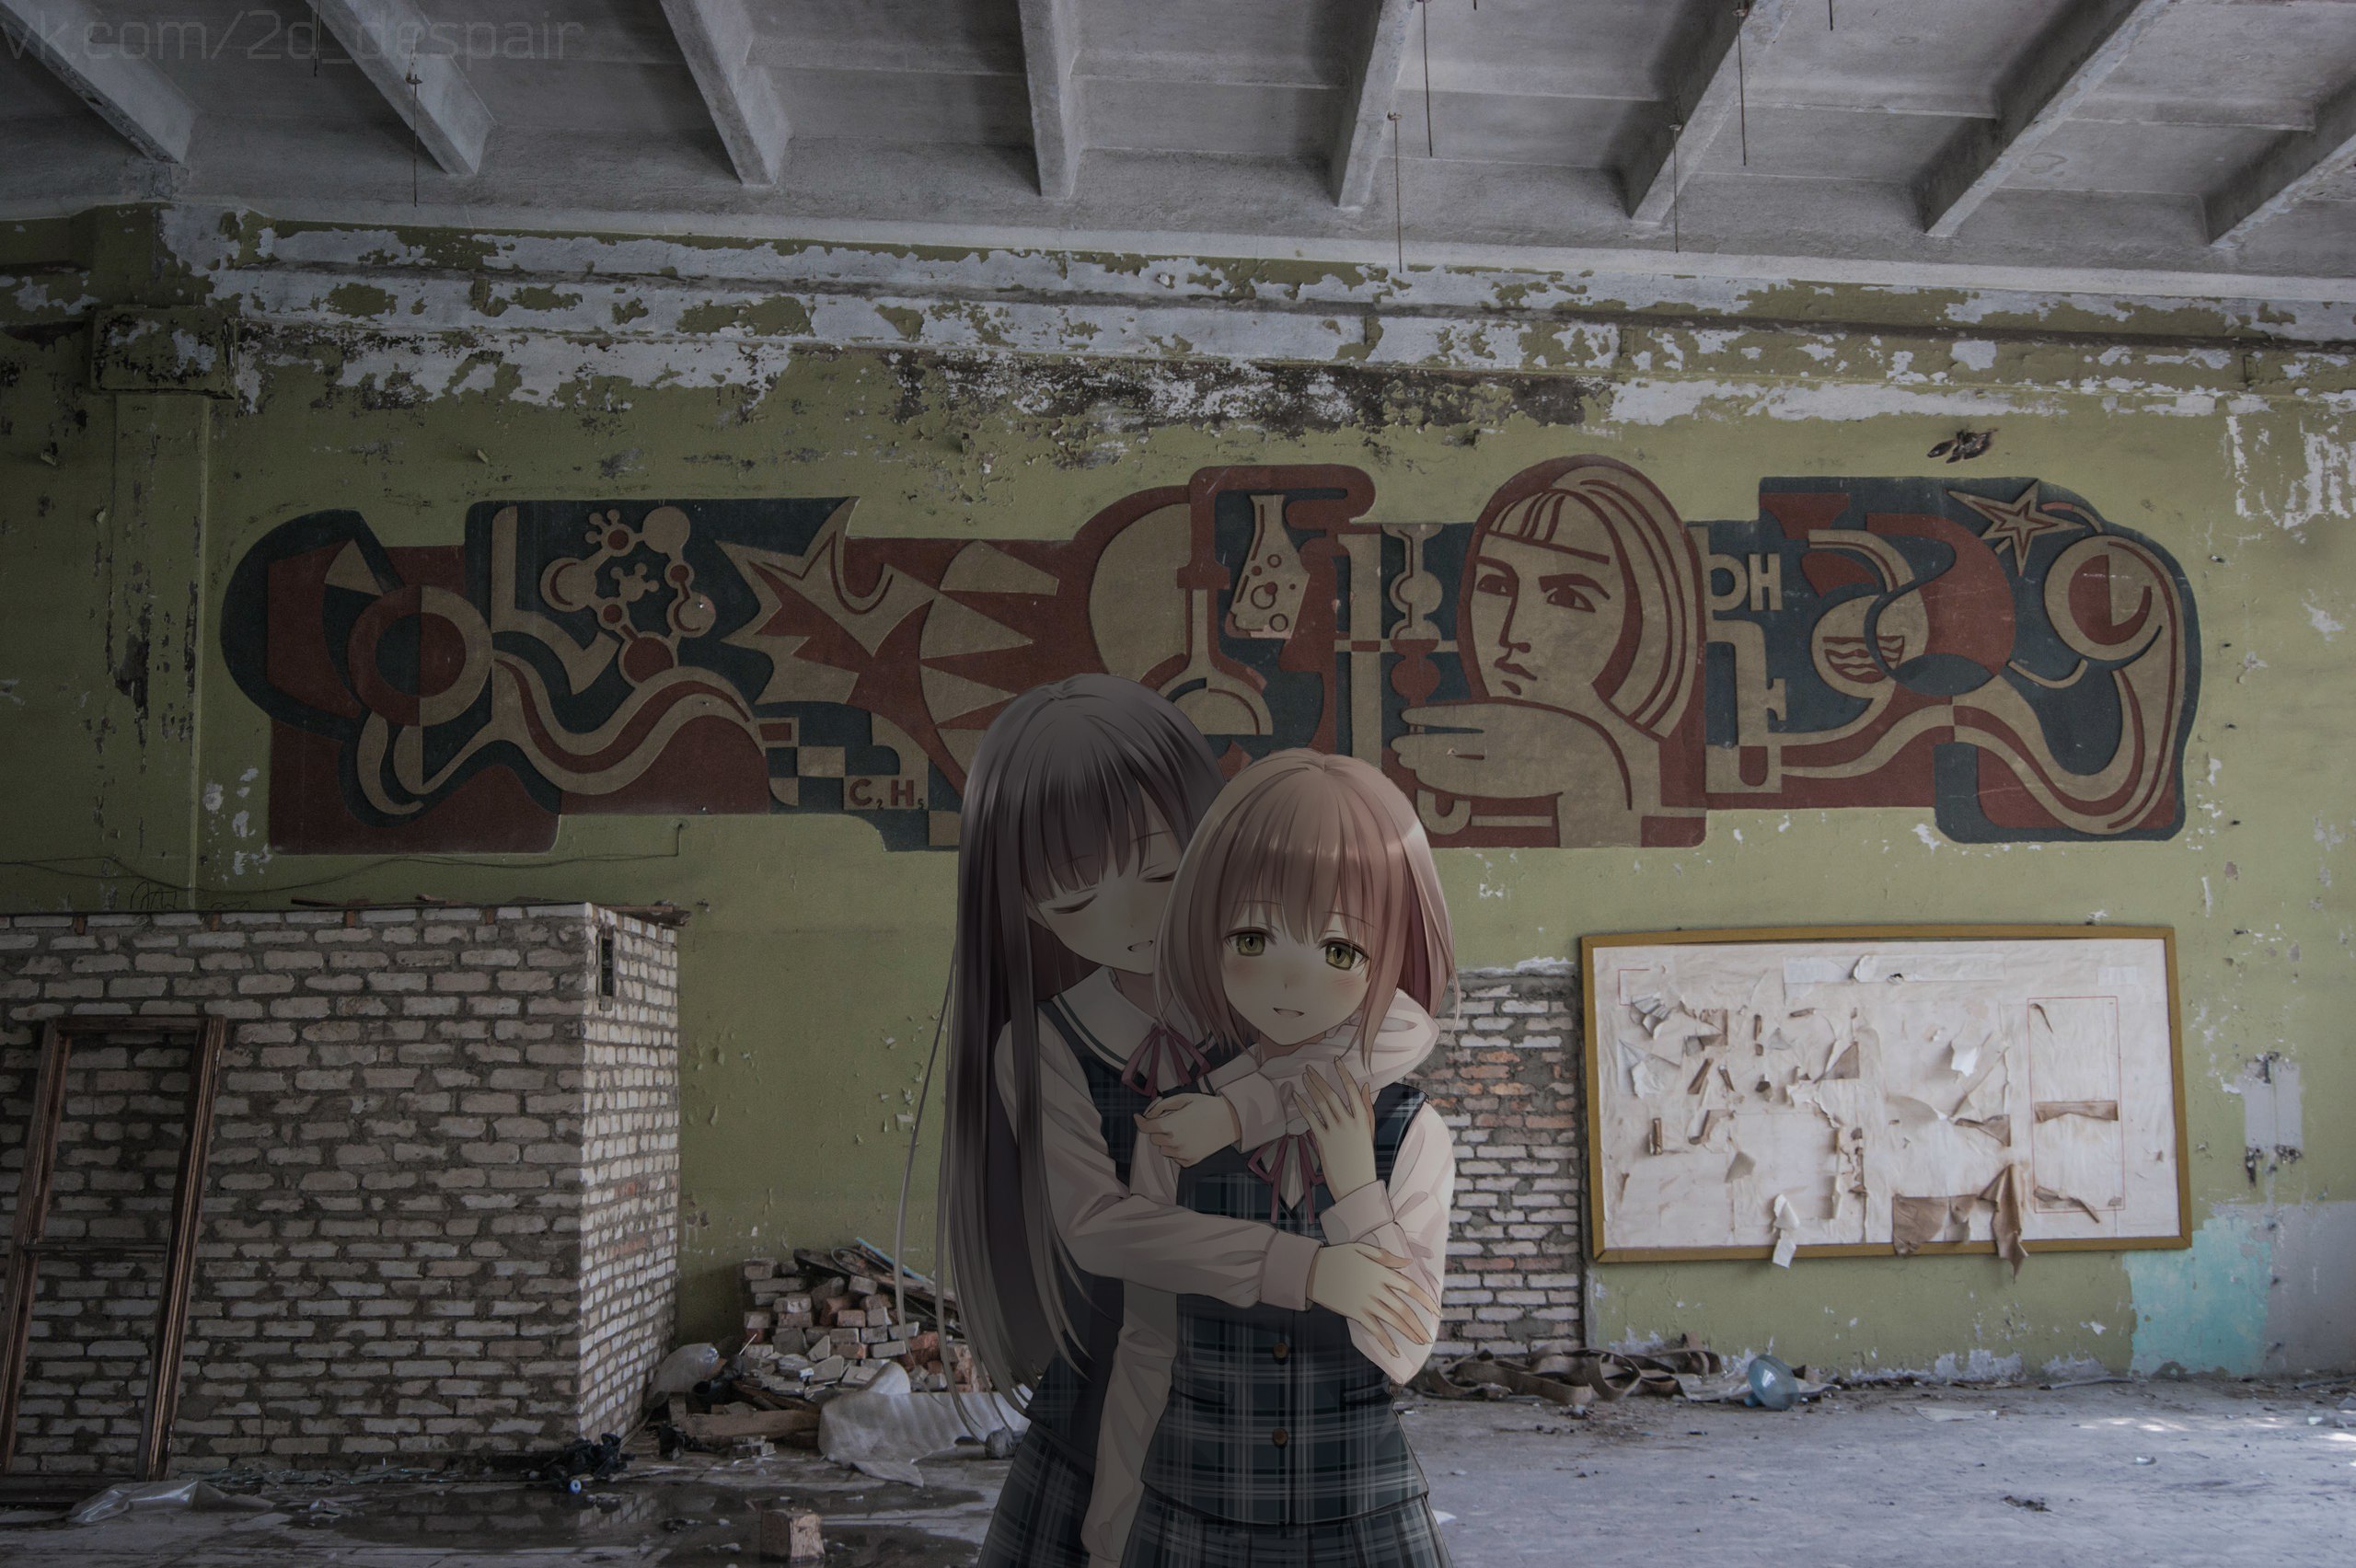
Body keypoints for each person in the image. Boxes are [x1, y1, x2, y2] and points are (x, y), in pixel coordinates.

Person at [937, 678, 1440, 1568]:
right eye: (1073, 900)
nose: (1133, 921)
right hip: (1119, 1377)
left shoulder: (1258, 987)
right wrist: (1299, 1266)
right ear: (1019, 905)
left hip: (1281, 1399)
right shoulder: (1048, 1041)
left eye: (1162, 873)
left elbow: (1397, 1026)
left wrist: (1245, 1108)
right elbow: (1098, 1227)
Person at [1087, 749, 1459, 1567]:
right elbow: (1147, 1343)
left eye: (1339, 951)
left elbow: (1404, 1349)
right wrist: (1110, 1528)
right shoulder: (1180, 1131)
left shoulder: (1411, 1131)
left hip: (1361, 1514)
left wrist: (1355, 1185)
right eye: (1253, 938)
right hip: (1194, 1508)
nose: (1290, 983)